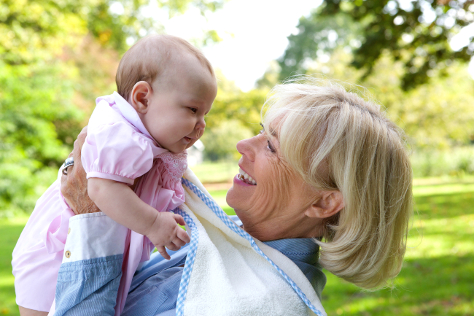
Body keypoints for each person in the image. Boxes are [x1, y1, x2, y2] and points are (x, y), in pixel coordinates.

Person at [48, 78, 413, 315]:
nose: (243, 145)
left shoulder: (262, 304)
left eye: (271, 146)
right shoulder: (221, 239)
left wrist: (92, 218)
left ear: (323, 202)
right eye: (260, 132)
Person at [12, 34, 217, 316]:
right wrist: (155, 224)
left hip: (81, 249)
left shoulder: (143, 139)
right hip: (58, 251)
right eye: (193, 109)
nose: (201, 124)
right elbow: (102, 190)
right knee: (44, 309)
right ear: (142, 97)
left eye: (205, 114)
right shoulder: (120, 135)